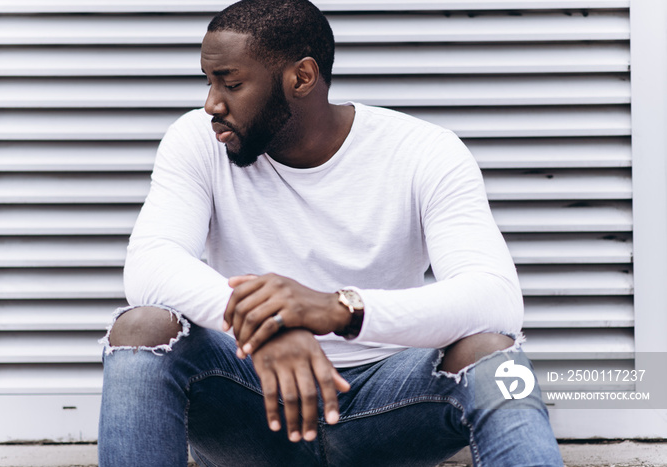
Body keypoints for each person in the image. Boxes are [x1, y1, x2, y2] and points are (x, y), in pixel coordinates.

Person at [98, 0, 564, 465]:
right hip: (253, 406)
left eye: (232, 84)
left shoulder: (425, 152)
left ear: (301, 78)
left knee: (494, 355)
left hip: (387, 406)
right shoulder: (199, 141)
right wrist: (267, 325)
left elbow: (495, 298)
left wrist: (339, 310)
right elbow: (150, 261)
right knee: (142, 327)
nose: (212, 104)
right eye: (209, 82)